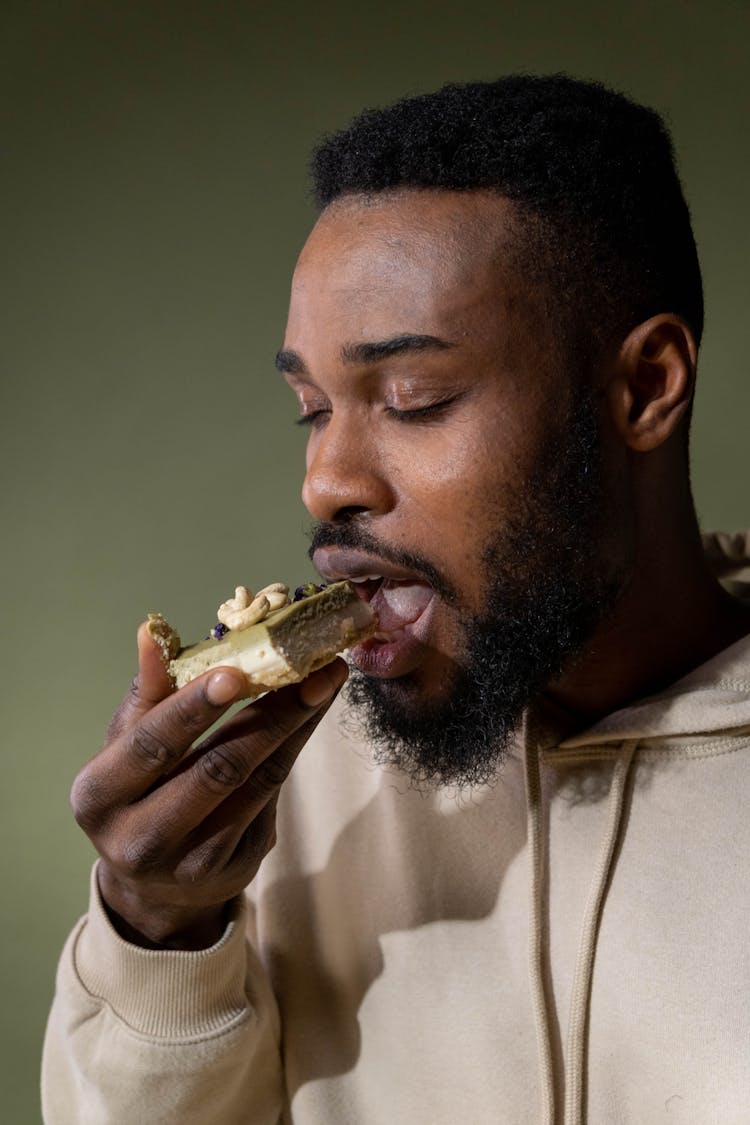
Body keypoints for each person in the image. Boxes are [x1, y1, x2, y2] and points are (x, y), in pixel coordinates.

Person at [43, 75, 750, 1125]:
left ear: (645, 387)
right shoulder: (286, 795)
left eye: (412, 401)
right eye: (311, 410)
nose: (325, 482)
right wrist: (161, 937)